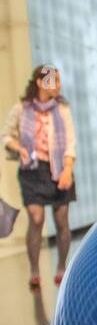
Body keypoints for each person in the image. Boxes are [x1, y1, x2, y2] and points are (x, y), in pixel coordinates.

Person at [3, 65, 77, 289]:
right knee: (36, 219)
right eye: (53, 81)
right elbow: (6, 135)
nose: (57, 85)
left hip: (58, 168)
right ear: (40, 83)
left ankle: (62, 267)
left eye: (58, 81)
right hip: (32, 170)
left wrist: (67, 169)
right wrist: (19, 147)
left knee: (62, 220)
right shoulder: (21, 109)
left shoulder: (62, 109)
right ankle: (34, 270)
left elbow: (71, 141)